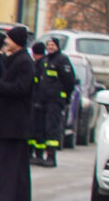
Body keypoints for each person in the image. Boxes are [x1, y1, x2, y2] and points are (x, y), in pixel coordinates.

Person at [0, 26, 35, 201]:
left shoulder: (25, 62)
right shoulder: (13, 60)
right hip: (5, 121)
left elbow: (21, 87)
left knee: (11, 164)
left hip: (15, 122)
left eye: (10, 39)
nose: (6, 42)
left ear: (17, 42)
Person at [32, 36, 77, 168]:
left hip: (55, 101)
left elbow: (69, 81)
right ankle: (38, 155)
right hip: (42, 100)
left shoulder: (62, 60)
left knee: (51, 128)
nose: (50, 47)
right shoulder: (45, 60)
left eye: (53, 45)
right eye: (48, 45)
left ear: (57, 47)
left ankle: (51, 157)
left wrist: (64, 96)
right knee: (40, 128)